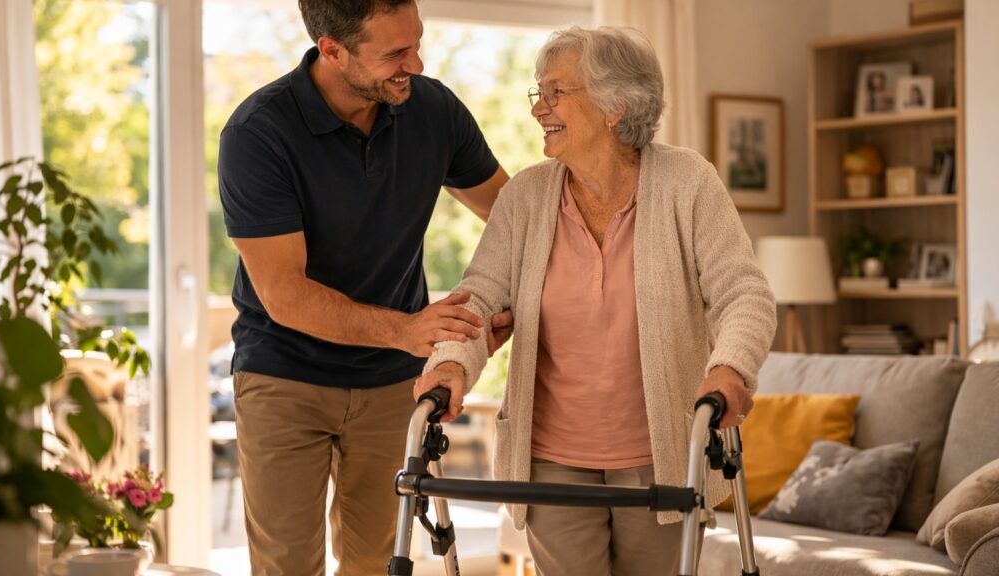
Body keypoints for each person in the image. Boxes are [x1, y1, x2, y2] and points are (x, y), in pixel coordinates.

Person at [414, 26, 776, 576]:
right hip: (551, 463)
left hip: (663, 457)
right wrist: (449, 363)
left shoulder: (688, 184)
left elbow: (743, 294)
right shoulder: (527, 197)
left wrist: (730, 368)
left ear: (617, 105)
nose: (540, 109)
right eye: (539, 92)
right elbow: (481, 297)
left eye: (557, 92)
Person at [217, 1, 511, 574]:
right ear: (331, 49)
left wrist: (496, 315)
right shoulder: (258, 133)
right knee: (287, 565)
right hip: (284, 376)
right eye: (396, 53)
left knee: (377, 562)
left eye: (417, 42)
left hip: (390, 383)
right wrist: (408, 329)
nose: (417, 64)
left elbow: (514, 219)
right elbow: (285, 295)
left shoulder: (434, 111)